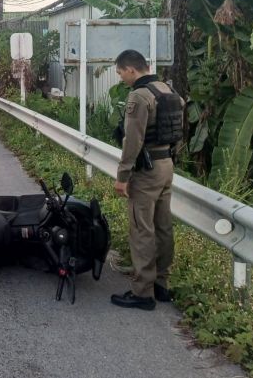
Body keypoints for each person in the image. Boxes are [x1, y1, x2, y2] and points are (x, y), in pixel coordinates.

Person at [111, 49, 184, 311]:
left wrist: (123, 176)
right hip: (167, 164)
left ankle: (142, 292)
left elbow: (133, 140)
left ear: (131, 69)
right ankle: (161, 285)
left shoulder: (140, 96)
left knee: (142, 229)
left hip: (147, 169)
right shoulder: (169, 91)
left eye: (120, 73)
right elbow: (178, 129)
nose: (121, 78)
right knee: (163, 226)